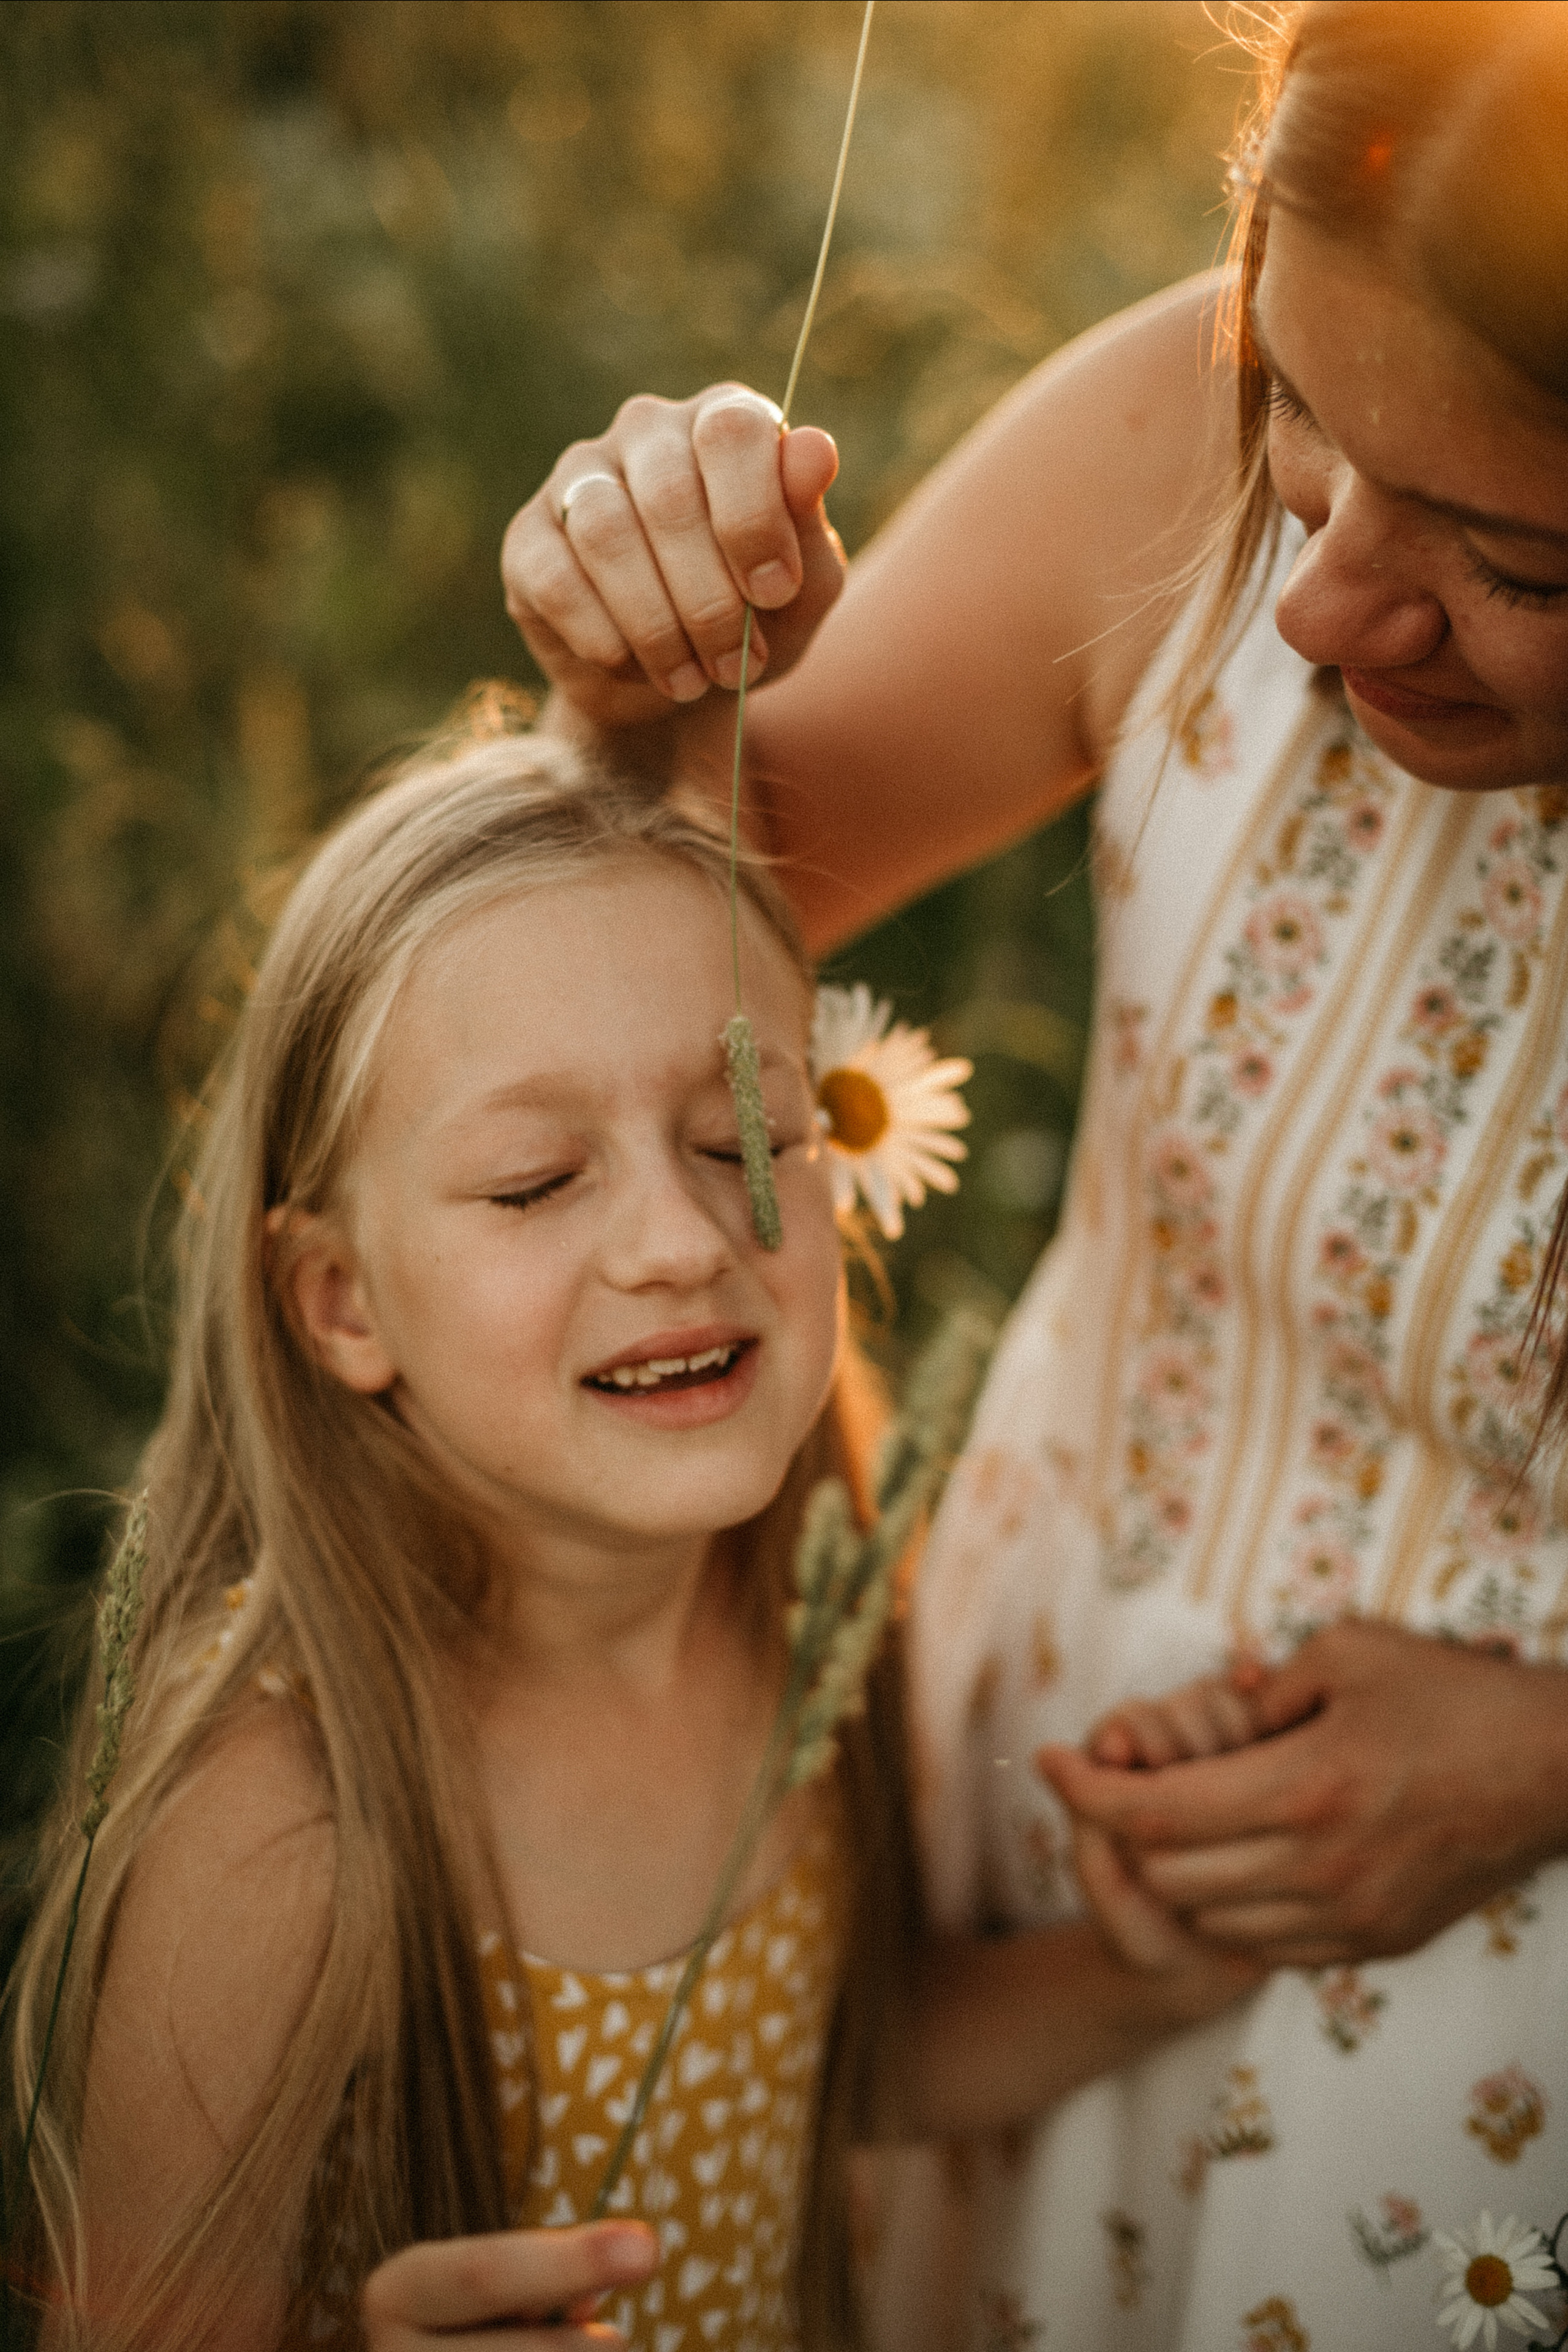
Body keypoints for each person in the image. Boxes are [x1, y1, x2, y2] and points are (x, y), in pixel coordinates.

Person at [499, 1, 1568, 2342]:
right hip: (1017, 1799)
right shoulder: (1173, 429)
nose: (1317, 608)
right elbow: (687, 920)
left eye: (1516, 564)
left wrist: (1546, 1757)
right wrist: (647, 679)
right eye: (1300, 422)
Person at [5, 711, 1255, 2352]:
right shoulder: (280, 1829)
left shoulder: (801, 1613)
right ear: (339, 1299)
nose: (680, 1239)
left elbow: (830, 2056)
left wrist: (1146, 1969)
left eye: (750, 1139)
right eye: (536, 1183)